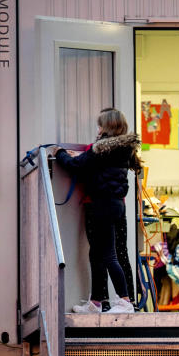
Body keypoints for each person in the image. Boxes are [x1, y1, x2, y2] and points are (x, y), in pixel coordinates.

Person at [55, 108, 142, 314]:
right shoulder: (124, 149)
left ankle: (125, 301)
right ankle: (95, 302)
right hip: (116, 205)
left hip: (102, 205)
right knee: (100, 253)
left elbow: (75, 165)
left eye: (100, 124)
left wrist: (59, 153)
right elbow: (95, 165)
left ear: (106, 127)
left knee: (109, 255)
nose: (98, 128)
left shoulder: (100, 149)